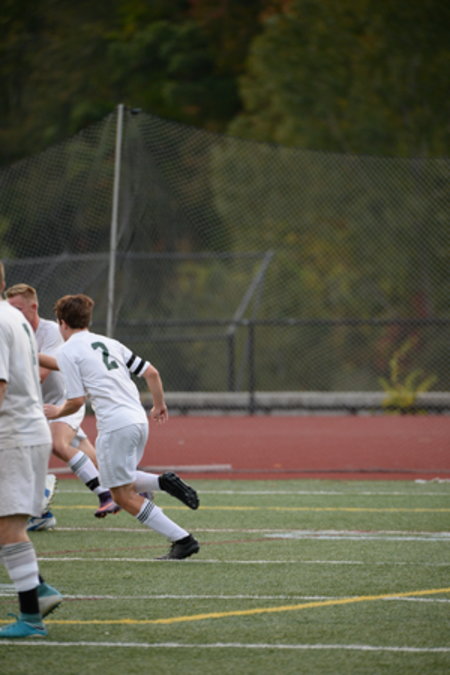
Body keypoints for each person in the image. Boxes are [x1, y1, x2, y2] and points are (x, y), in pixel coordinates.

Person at [41, 293, 200, 560]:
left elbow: (77, 400)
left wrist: (57, 412)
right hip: (138, 419)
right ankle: (162, 482)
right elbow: (152, 373)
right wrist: (159, 405)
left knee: (122, 496)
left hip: (115, 425)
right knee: (119, 481)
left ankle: (183, 540)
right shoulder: (108, 343)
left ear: (61, 323)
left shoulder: (68, 350)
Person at [5, 284, 120, 526]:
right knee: (83, 449)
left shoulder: (51, 332)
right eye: (9, 307)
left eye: (18, 308)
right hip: (35, 404)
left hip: (64, 400)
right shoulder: (10, 329)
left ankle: (102, 494)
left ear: (33, 307)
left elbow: (40, 375)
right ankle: (130, 487)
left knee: (56, 444)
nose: (12, 312)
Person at [0, 262, 62, 639]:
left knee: (9, 526)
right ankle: (37, 590)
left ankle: (31, 617)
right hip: (24, 431)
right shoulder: (11, 315)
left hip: (13, 434)